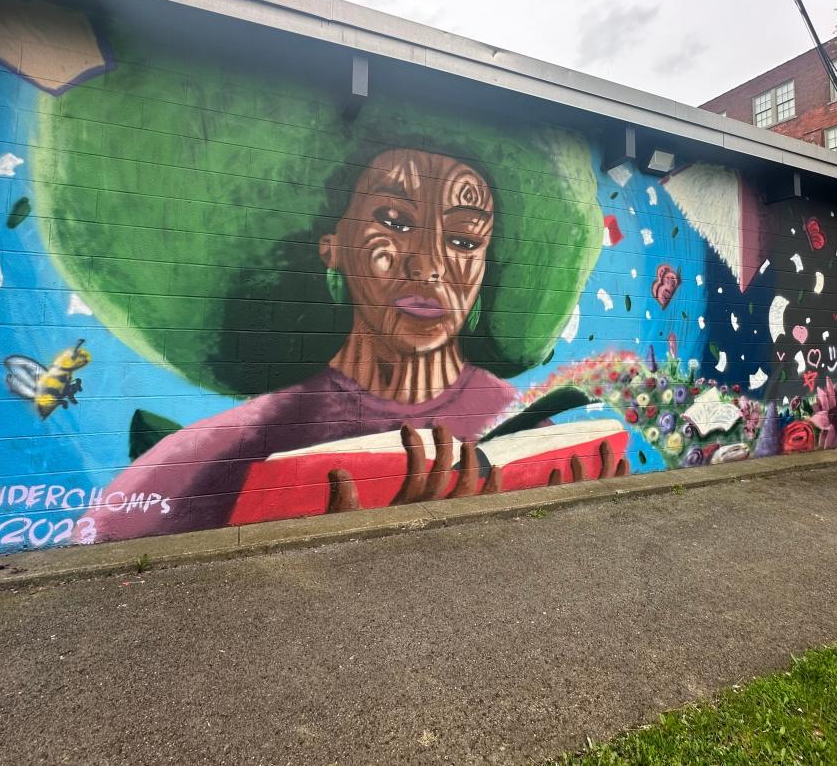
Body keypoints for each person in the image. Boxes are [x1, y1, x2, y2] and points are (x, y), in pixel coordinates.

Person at [88, 148, 527, 540]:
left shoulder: (516, 417)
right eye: (394, 222)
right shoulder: (244, 440)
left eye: (464, 240)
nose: (429, 265)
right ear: (333, 247)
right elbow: (102, 532)